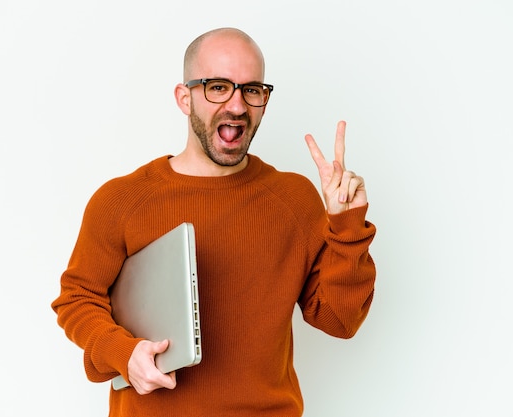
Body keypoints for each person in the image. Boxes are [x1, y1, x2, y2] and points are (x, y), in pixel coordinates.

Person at [51, 27, 376, 417]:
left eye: (252, 89)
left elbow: (340, 320)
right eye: (218, 87)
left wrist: (347, 227)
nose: (237, 105)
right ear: (184, 98)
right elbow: (77, 299)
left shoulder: (294, 199)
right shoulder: (122, 200)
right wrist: (122, 353)